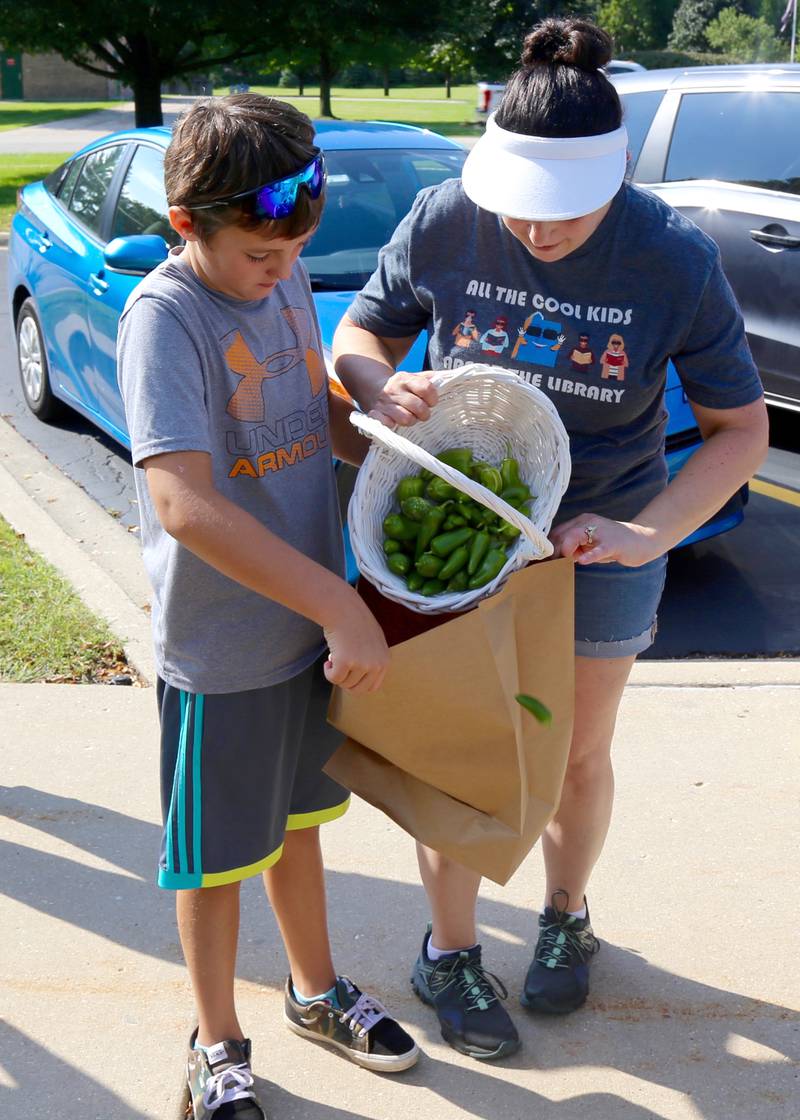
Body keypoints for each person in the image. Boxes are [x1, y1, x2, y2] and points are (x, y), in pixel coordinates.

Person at [332, 19, 768, 1062]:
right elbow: (359, 332)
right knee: (463, 752)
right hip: (469, 535)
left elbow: (737, 431)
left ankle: (564, 912)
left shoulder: (671, 257)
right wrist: (374, 382)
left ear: (611, 178)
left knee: (572, 754)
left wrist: (645, 529)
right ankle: (448, 949)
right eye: (515, 210)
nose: (532, 231)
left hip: (600, 543)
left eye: (560, 214)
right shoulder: (446, 217)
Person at [117, 94, 419, 1120]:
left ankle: (313, 989)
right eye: (260, 252)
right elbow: (183, 502)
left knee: (296, 827)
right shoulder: (166, 316)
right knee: (210, 861)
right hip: (223, 646)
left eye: (297, 248)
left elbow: (310, 409)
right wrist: (339, 601)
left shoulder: (281, 276)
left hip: (301, 630)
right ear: (185, 227)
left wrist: (380, 424)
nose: (283, 268)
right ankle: (214, 1043)